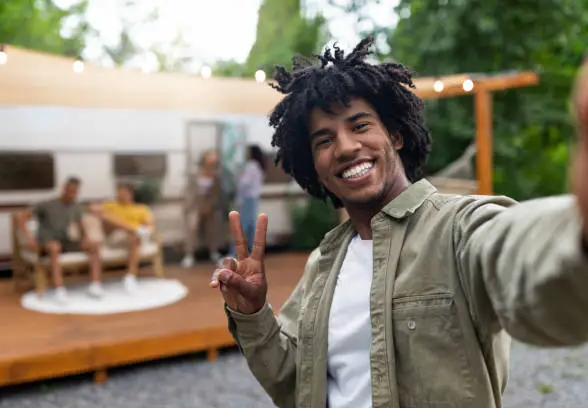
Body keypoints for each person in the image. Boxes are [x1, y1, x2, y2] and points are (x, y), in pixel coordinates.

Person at [209, 37, 588, 408]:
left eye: (360, 126)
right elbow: (293, 380)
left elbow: (523, 258)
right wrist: (253, 314)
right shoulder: (323, 263)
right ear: (314, 168)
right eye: (324, 140)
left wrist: (579, 232)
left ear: (396, 134)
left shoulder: (458, 228)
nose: (344, 147)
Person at [19, 176, 103, 304]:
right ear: (64, 189)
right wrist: (30, 239)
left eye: (75, 192)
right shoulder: (46, 205)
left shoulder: (76, 206)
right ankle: (60, 290)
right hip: (46, 241)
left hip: (66, 240)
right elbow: (21, 218)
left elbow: (81, 225)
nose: (72, 194)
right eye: (70, 191)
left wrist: (86, 238)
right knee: (55, 247)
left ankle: (95, 285)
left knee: (94, 246)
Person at [90, 182, 155, 294]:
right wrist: (131, 227)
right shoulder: (111, 205)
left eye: (124, 193)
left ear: (131, 194)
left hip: (133, 238)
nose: (121, 195)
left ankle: (130, 277)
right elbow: (92, 208)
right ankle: (131, 229)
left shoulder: (141, 209)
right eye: (119, 193)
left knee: (134, 236)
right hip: (114, 236)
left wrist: (137, 230)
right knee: (106, 217)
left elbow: (151, 227)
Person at [223, 144, 266, 261]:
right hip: (253, 199)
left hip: (248, 199)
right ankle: (254, 254)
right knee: (251, 227)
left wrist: (237, 179)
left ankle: (232, 254)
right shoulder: (257, 166)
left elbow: (244, 183)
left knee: (240, 227)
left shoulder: (251, 166)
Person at [181, 149, 222, 267]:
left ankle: (214, 252)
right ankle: (189, 255)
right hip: (195, 204)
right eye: (209, 157)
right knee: (192, 229)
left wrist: (210, 205)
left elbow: (216, 193)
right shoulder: (195, 174)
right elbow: (189, 191)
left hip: (209, 204)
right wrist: (189, 206)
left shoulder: (215, 176)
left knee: (211, 229)